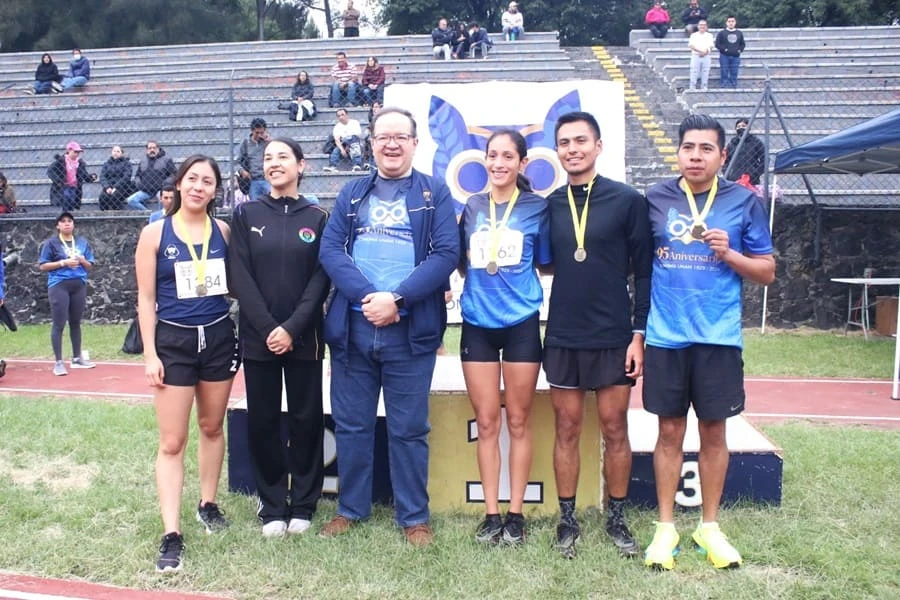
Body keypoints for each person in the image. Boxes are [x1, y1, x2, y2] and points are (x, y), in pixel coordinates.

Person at [317, 107, 459, 547]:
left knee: (409, 428)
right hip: (353, 329)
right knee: (352, 424)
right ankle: (351, 509)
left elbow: (445, 254)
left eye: (401, 136)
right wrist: (369, 297)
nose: (391, 144)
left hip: (410, 330)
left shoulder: (434, 192)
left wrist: (396, 299)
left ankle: (414, 517)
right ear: (371, 144)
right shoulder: (353, 193)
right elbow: (331, 250)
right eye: (383, 137)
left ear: (416, 143)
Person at [642, 114, 775, 571]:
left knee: (715, 432)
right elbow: (641, 266)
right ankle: (664, 529)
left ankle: (710, 527)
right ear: (678, 152)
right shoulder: (656, 199)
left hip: (718, 337)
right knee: (668, 432)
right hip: (666, 336)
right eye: (688, 147)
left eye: (706, 149)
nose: (695, 156)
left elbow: (767, 272)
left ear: (722, 155)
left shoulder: (744, 201)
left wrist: (731, 254)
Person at [544, 111, 652, 560]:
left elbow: (644, 272)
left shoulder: (628, 200)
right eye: (565, 142)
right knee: (567, 428)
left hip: (613, 333)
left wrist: (638, 333)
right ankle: (567, 519)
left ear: (598, 146)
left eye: (581, 141)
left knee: (614, 428)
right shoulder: (549, 202)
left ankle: (617, 516)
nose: (573, 149)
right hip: (564, 333)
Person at [134, 155, 240, 573]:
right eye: (192, 179)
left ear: (216, 190)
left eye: (208, 181)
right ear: (179, 184)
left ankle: (208, 504)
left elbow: (233, 285)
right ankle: (171, 533)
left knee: (213, 427)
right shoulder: (154, 234)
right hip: (173, 341)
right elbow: (144, 299)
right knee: (172, 441)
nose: (199, 186)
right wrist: (149, 354)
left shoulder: (225, 231)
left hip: (216, 337)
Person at [229, 137, 330, 537]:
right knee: (265, 421)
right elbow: (240, 275)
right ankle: (272, 504)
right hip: (258, 339)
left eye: (282, 157)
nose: (274, 163)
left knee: (306, 420)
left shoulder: (319, 217)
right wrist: (270, 328)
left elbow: (322, 279)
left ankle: (303, 502)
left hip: (305, 339)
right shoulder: (245, 213)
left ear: (301, 166)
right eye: (268, 158)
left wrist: (292, 328)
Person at [458, 129, 551, 545]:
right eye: (492, 155)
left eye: (507, 156)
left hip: (521, 323)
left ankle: (516, 515)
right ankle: (491, 515)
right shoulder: (472, 206)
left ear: (522, 163)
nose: (498, 163)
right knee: (488, 421)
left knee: (517, 419)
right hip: (477, 321)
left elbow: (545, 262)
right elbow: (463, 265)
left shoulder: (537, 208)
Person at [38, 212, 97, 376]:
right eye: (63, 222)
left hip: (79, 285)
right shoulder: (51, 243)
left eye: (69, 221)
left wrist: (83, 260)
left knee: (76, 322)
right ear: (58, 225)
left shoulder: (82, 242)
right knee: (59, 323)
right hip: (59, 285)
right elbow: (43, 266)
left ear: (74, 224)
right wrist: (63, 262)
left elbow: (90, 265)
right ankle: (58, 362)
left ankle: (77, 357)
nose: (66, 224)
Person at [126, 141, 177, 211]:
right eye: (150, 148)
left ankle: (160, 216)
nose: (152, 150)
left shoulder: (166, 160)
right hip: (146, 190)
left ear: (158, 149)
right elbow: (137, 176)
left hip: (160, 190)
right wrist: (140, 184)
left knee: (162, 198)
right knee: (131, 200)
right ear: (147, 150)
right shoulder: (143, 161)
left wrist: (164, 184)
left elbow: (174, 174)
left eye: (154, 148)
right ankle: (148, 214)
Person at [47, 141, 97, 211]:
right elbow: (50, 171)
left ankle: (69, 215)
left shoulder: (79, 163)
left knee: (72, 202)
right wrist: (58, 180)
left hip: (74, 187)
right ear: (69, 151)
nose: (77, 154)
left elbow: (84, 174)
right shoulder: (61, 161)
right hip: (63, 186)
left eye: (78, 152)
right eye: (75, 152)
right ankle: (65, 215)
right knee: (66, 199)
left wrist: (90, 177)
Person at [724, 118, 766, 186]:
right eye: (738, 127)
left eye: (743, 126)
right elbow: (726, 160)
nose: (741, 128)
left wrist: (756, 172)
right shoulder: (732, 143)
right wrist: (728, 172)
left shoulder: (756, 141)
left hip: (751, 179)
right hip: (734, 178)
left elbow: (765, 158)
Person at [238, 118, 272, 202]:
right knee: (255, 204)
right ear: (252, 131)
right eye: (257, 133)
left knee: (272, 202)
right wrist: (242, 171)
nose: (259, 135)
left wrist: (270, 142)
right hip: (253, 180)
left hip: (268, 179)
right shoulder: (245, 143)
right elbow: (236, 162)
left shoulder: (267, 142)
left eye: (262, 132)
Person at [323, 108, 364, 173]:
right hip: (343, 144)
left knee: (354, 142)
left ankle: (357, 164)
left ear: (347, 115)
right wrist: (342, 150)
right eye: (339, 116)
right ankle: (333, 166)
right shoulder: (337, 126)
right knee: (336, 150)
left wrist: (348, 145)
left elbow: (357, 136)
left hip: (355, 142)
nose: (341, 117)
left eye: (342, 115)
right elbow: (337, 140)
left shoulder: (354, 123)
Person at [98, 145, 136, 210]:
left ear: (122, 153)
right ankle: (104, 215)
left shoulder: (127, 163)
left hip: (122, 187)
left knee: (115, 196)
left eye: (118, 151)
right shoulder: (107, 164)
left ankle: (116, 215)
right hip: (109, 187)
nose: (115, 153)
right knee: (102, 197)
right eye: (114, 151)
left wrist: (116, 187)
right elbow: (102, 176)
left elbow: (126, 177)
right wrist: (107, 187)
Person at [715, 16, 746, 88]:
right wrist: (724, 50)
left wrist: (739, 50)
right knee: (724, 71)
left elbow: (742, 44)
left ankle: (734, 84)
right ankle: (724, 84)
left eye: (732, 21)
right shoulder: (722, 33)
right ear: (726, 23)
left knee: (734, 71)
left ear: (735, 22)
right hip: (724, 56)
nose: (731, 23)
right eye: (729, 21)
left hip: (736, 56)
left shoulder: (739, 33)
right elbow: (717, 44)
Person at [688, 20, 715, 91]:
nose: (702, 26)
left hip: (706, 56)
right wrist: (700, 52)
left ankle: (704, 86)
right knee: (694, 71)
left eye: (704, 25)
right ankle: (692, 87)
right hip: (696, 55)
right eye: (701, 25)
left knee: (705, 71)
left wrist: (705, 52)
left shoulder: (709, 35)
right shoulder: (693, 35)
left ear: (706, 26)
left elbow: (711, 46)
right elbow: (691, 46)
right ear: (698, 26)